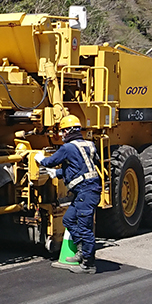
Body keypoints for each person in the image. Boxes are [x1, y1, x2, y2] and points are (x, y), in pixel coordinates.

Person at [40, 114, 102, 273]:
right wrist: (58, 173)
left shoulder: (67, 148)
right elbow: (81, 167)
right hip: (88, 190)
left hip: (86, 192)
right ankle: (82, 251)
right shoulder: (89, 144)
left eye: (62, 131)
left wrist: (41, 159)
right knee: (68, 220)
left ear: (69, 131)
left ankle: (88, 263)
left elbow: (50, 161)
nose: (61, 135)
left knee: (84, 227)